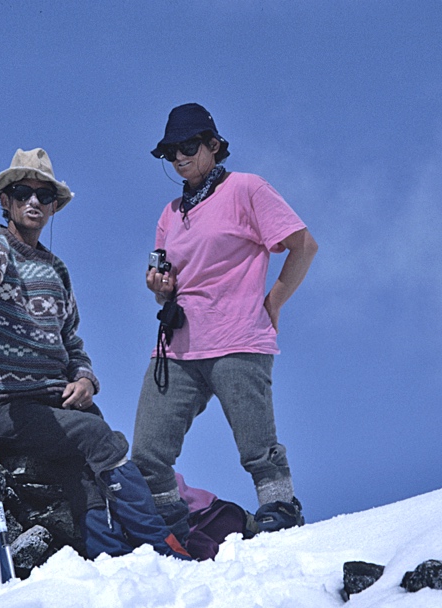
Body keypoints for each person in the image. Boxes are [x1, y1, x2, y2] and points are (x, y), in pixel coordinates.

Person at [0, 147, 188, 560]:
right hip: (5, 407)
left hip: (55, 401)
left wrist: (84, 379)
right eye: (22, 192)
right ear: (5, 200)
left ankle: (108, 554)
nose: (33, 202)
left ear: (55, 206)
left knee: (85, 471)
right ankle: (161, 545)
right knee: (97, 437)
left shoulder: (57, 270)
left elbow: (72, 341)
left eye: (44, 196)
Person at [132, 103, 319, 545]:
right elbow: (165, 285)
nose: (178, 157)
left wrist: (273, 302)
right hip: (177, 348)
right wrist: (159, 286)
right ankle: (171, 527)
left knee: (258, 448)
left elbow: (303, 245)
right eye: (170, 151)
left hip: (237, 337)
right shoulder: (170, 212)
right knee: (146, 453)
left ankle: (280, 512)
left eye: (188, 146)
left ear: (214, 145)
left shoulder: (247, 189)